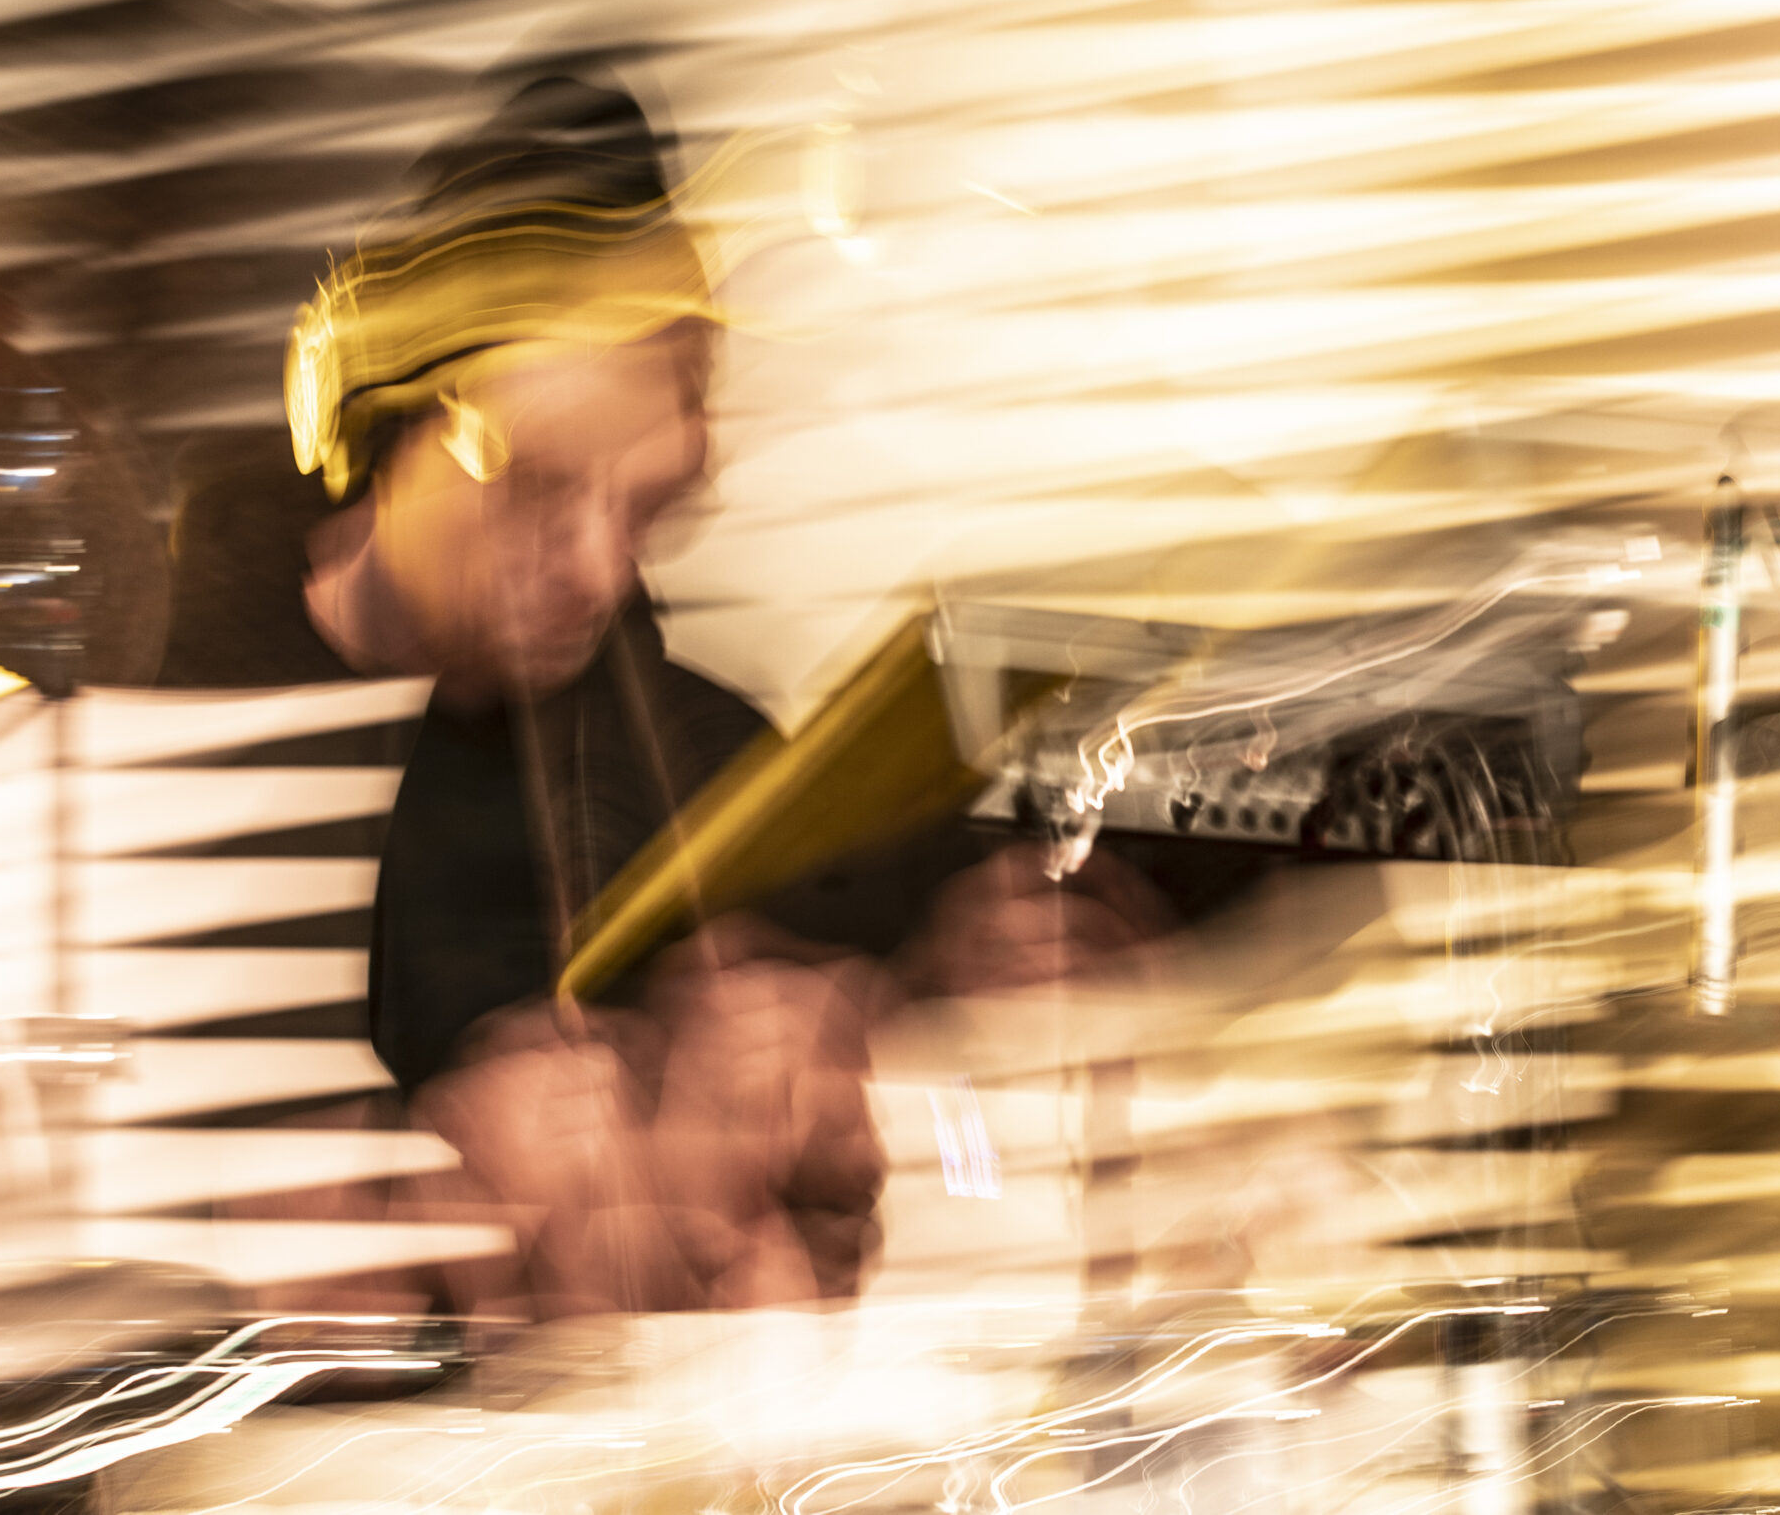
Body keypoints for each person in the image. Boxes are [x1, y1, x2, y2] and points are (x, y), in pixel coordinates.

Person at [266, 68, 1160, 1318]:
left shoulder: (705, 753)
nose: (599, 569)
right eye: (538, 486)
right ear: (376, 419)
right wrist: (426, 1207)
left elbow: (903, 1175)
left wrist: (906, 1027)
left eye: (647, 506)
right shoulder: (161, 751)